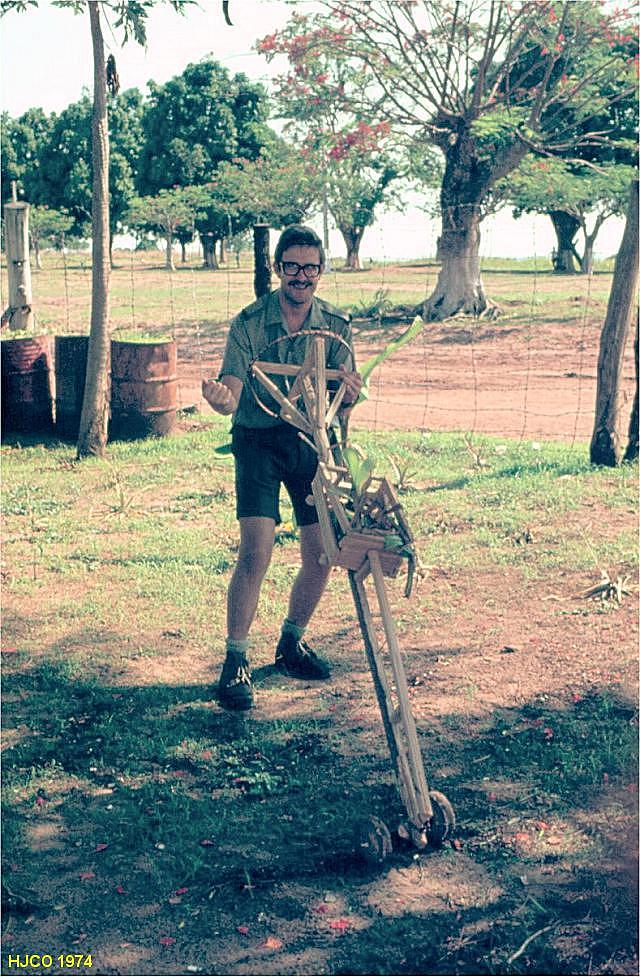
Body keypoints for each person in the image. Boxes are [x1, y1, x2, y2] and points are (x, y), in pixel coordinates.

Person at [202, 225, 362, 710]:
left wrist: (350, 394)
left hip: (310, 438)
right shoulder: (249, 323)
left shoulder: (337, 324)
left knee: (322, 551)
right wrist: (223, 399)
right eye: (292, 266)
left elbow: (342, 395)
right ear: (277, 268)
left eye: (310, 268)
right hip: (258, 441)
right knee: (257, 550)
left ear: (321, 271)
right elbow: (232, 388)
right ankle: (235, 661)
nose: (301, 276)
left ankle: (292, 643)